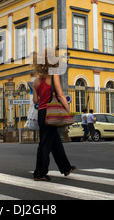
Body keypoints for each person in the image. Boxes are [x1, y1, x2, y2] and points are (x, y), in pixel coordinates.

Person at [32, 49, 76, 181]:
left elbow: (35, 101)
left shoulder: (36, 81)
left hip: (41, 113)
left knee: (55, 142)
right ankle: (39, 172)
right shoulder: (53, 75)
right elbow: (61, 95)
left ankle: (66, 167)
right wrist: (68, 110)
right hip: (50, 113)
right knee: (45, 144)